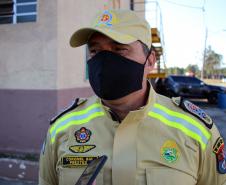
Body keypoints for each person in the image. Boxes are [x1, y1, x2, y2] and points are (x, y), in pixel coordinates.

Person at [39, 9, 226, 185]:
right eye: (95, 51)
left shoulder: (196, 131)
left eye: (119, 49)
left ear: (150, 60)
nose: (104, 62)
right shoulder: (62, 129)